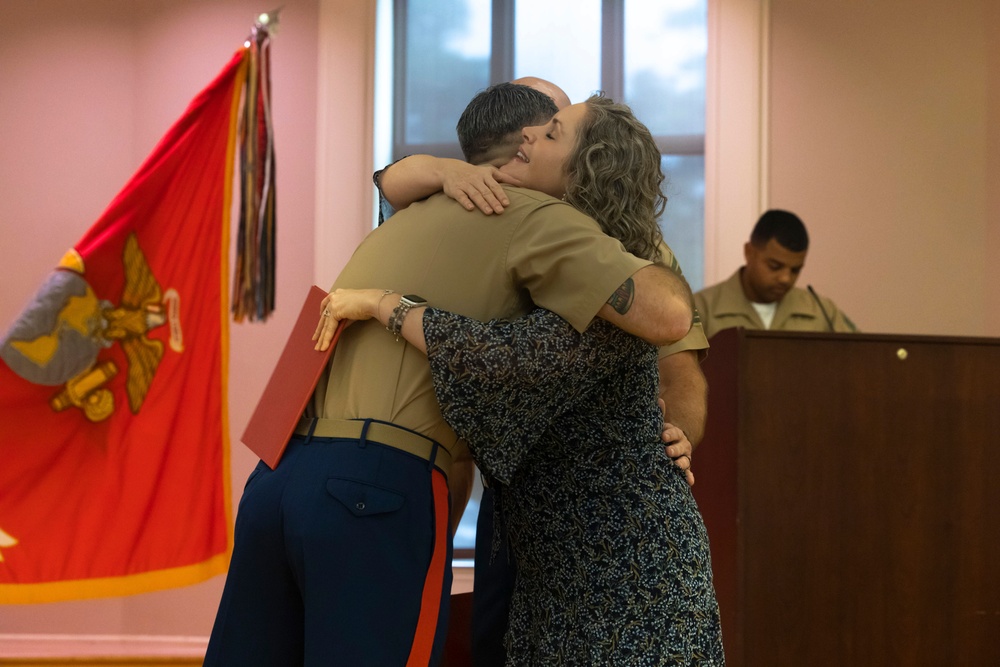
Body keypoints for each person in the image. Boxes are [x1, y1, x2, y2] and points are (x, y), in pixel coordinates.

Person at [204, 83, 694, 667]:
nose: (535, 137)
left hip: (276, 476)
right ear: (514, 155)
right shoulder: (537, 218)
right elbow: (667, 313)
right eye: (543, 127)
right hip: (377, 486)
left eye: (555, 130)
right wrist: (394, 307)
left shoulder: (402, 217)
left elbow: (390, 180)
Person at [379, 78, 709, 667]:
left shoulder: (614, 268)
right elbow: (391, 187)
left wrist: (387, 308)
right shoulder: (493, 206)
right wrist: (436, 168)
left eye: (552, 128)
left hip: (623, 560)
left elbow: (511, 358)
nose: (530, 135)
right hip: (538, 545)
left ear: (584, 171)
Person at [694, 209, 857, 338]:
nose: (785, 279)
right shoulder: (701, 310)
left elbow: (862, 359)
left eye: (795, 270)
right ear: (749, 252)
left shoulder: (821, 312)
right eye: (774, 266)